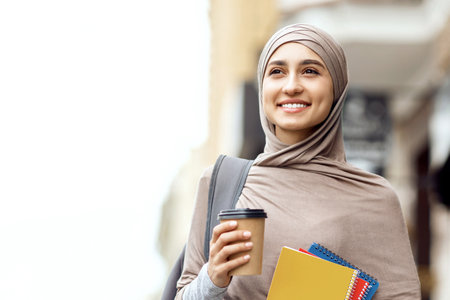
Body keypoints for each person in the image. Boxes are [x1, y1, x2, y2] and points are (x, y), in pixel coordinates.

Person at [175, 23, 421, 299]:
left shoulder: (375, 197)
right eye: (277, 72)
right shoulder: (220, 181)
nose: (291, 86)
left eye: (310, 71)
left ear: (336, 88)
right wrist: (213, 278)